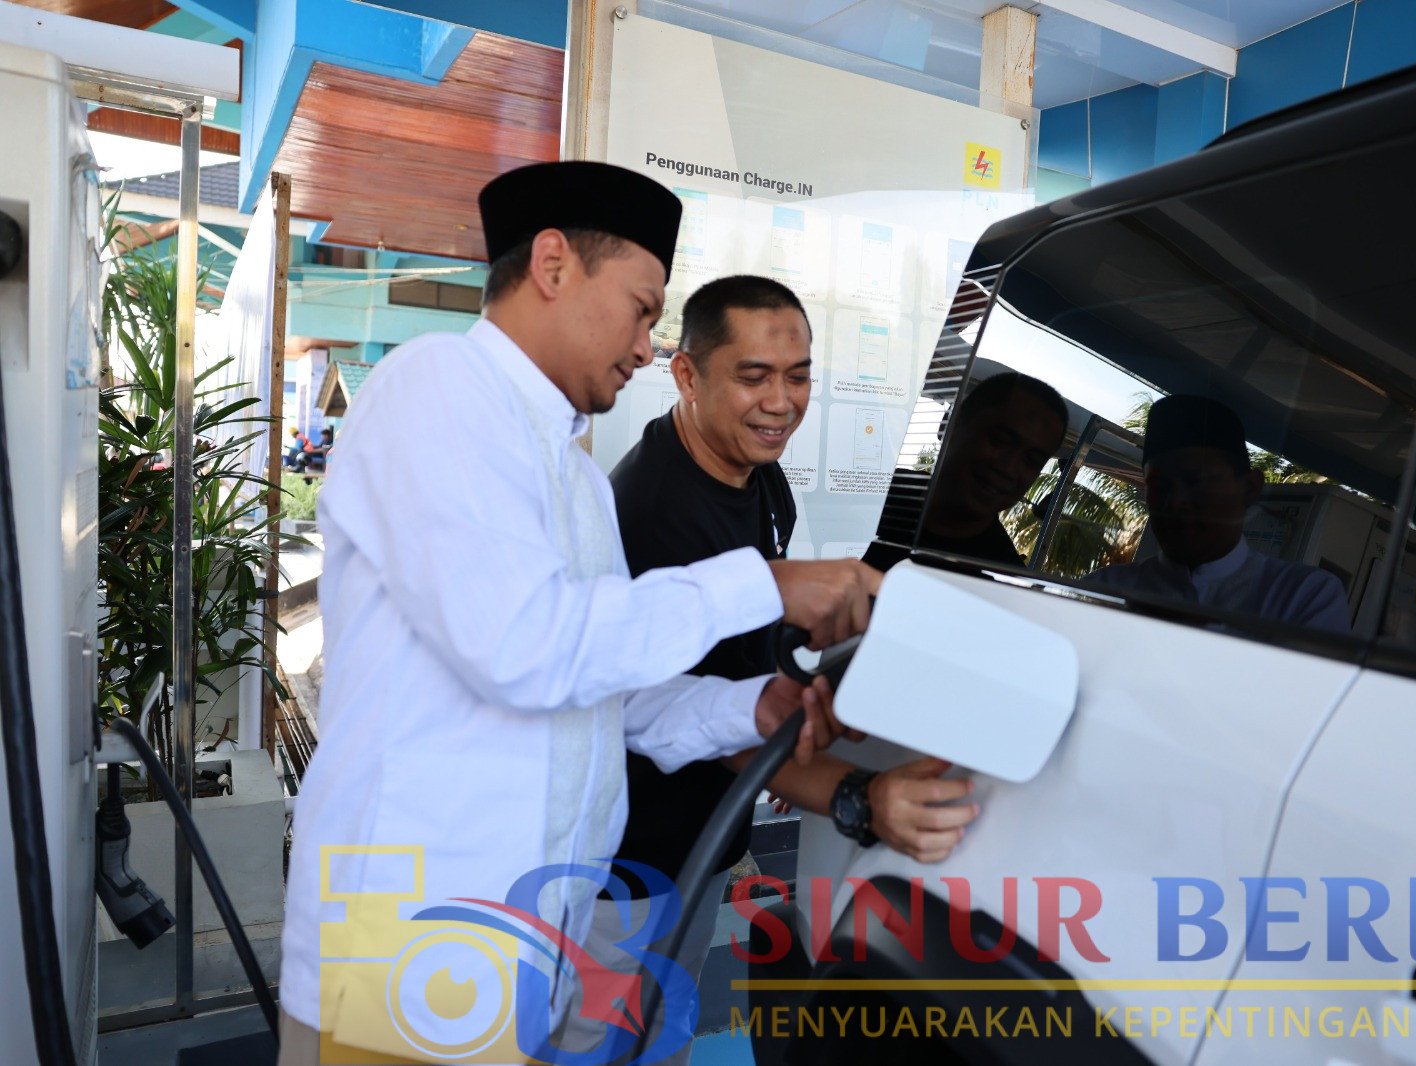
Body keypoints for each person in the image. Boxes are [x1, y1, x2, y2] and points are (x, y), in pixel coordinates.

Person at [275, 162, 880, 1065]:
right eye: (640, 310)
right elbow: (525, 648)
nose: (646, 348)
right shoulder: (438, 386)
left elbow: (601, 691)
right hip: (407, 952)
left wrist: (748, 708)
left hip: (526, 946)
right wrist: (769, 583)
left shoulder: (574, 476)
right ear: (553, 264)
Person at [599, 276, 981, 1061]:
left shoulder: (760, 475)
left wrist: (805, 687)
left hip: (703, 838)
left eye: (799, 376)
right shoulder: (653, 513)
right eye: (754, 377)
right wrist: (858, 798)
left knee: (662, 1035)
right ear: (686, 374)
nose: (781, 403)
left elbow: (744, 655)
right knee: (620, 1044)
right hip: (632, 863)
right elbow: (677, 716)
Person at [1082, 394, 1350, 632]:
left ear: (1249, 488)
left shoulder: (1303, 594)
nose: (1176, 502)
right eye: (1159, 486)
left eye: (1195, 481)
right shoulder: (1101, 589)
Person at [866, 370, 1069, 571]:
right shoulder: (865, 491)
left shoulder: (999, 578)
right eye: (1000, 440)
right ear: (950, 425)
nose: (1008, 468)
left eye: (1031, 461)